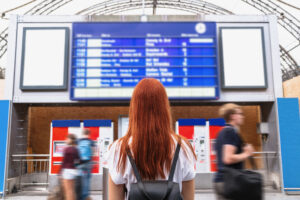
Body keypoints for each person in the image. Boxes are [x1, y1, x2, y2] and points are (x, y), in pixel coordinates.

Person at [106, 78, 196, 200]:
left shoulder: (119, 149)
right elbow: (189, 197)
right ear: (164, 107)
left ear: (135, 108)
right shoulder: (183, 147)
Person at [214, 103, 254, 200]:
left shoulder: (222, 132)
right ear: (232, 116)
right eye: (240, 114)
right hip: (229, 182)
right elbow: (228, 158)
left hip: (224, 180)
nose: (242, 116)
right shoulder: (230, 132)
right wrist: (246, 154)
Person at [60, 134, 80, 200]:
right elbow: (78, 160)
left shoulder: (67, 149)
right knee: (72, 190)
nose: (65, 140)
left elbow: (64, 162)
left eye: (67, 139)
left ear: (70, 140)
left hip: (67, 171)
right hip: (74, 171)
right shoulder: (76, 149)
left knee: (68, 191)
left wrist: (59, 172)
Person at [78, 129, 95, 200]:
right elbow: (93, 152)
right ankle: (85, 196)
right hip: (88, 162)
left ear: (82, 134)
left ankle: (79, 195)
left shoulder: (78, 141)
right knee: (87, 180)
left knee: (80, 179)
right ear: (89, 134)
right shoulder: (91, 142)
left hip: (80, 163)